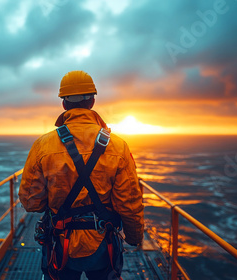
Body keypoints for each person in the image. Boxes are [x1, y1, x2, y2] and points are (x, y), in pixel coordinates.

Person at [19, 70, 144, 280]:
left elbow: (31, 203)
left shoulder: (43, 145)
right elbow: (129, 203)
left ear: (64, 104)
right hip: (104, 244)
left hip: (61, 245)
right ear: (92, 101)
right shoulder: (118, 147)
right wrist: (134, 237)